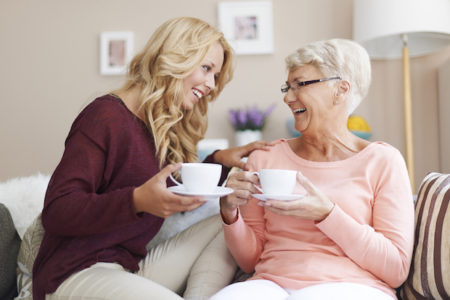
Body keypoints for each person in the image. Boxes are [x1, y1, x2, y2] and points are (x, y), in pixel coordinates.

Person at [32, 17, 272, 300]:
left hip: (126, 268)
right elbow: (57, 211)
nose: (210, 84)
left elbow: (174, 191)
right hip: (74, 272)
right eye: (206, 68)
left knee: (229, 218)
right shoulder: (104, 117)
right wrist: (136, 201)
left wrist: (220, 160)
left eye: (215, 76)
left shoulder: (160, 128)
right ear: (176, 57)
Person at [212, 39, 415, 300]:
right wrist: (229, 213)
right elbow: (250, 261)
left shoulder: (383, 161)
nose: (287, 97)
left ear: (340, 90)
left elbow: (396, 268)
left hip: (352, 287)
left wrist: (327, 214)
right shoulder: (265, 158)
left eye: (300, 84)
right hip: (270, 286)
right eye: (287, 86)